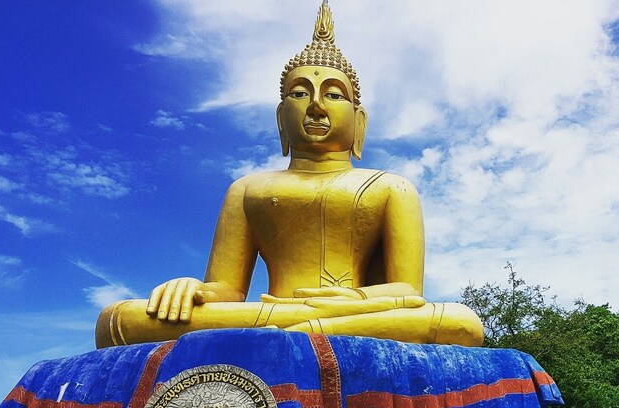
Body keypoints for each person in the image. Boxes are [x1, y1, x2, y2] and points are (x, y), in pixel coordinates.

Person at [94, 0, 483, 349]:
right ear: (282, 119)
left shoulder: (390, 187)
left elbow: (408, 292)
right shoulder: (247, 189)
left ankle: (308, 328)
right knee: (118, 318)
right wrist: (194, 291)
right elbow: (227, 290)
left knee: (460, 322)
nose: (315, 105)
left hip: (356, 311)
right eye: (299, 93)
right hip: (275, 312)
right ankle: (312, 328)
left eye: (333, 94)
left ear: (359, 121)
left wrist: (359, 300)